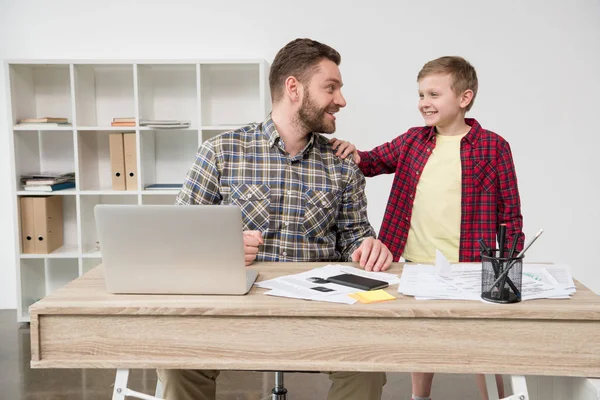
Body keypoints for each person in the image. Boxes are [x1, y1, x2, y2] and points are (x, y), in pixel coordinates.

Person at [157, 38, 392, 400]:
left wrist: (368, 247)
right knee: (177, 363)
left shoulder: (343, 164)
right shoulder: (221, 152)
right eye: (331, 88)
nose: (341, 101)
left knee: (366, 367)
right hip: (234, 312)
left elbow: (355, 238)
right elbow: (176, 238)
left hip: (319, 314)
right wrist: (220, 250)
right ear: (293, 88)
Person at [330, 56, 525, 400]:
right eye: (421, 95)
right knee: (423, 338)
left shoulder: (494, 147)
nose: (424, 103)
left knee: (478, 341)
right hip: (414, 262)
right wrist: (353, 153)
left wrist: (506, 265)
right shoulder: (412, 141)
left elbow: (510, 214)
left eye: (434, 94)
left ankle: (493, 396)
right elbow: (373, 161)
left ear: (464, 98)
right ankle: (420, 396)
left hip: (470, 264)